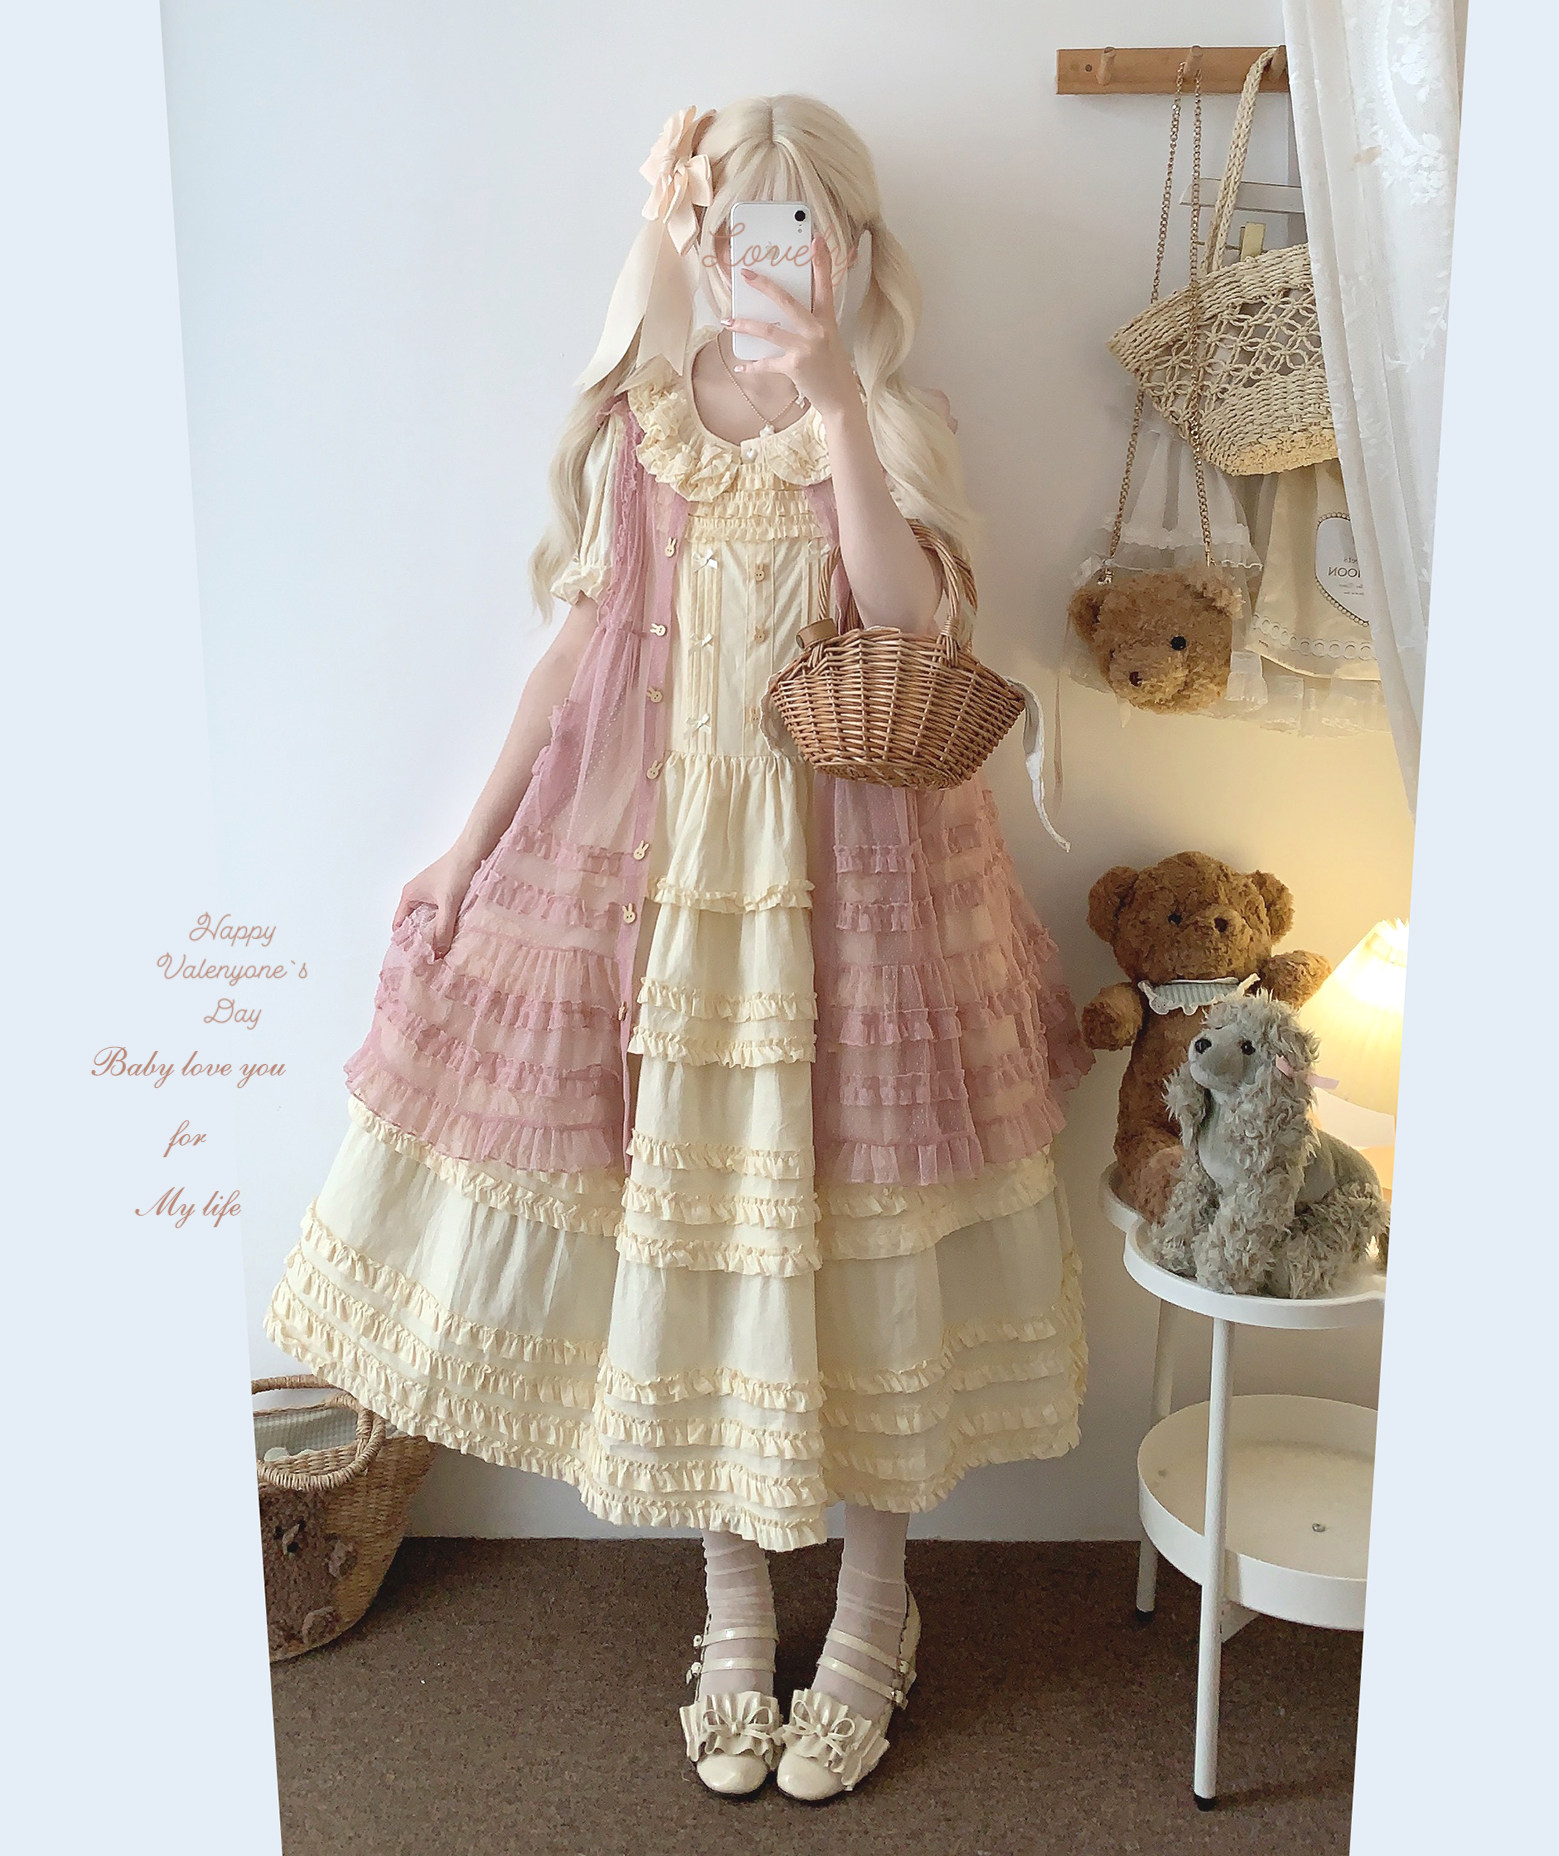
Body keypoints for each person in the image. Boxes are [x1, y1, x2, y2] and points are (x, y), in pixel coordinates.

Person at [267, 93, 1091, 1802]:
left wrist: (839, 403)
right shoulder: (649, 426)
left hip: (861, 894)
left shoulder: (888, 415)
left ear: (847, 249)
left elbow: (909, 626)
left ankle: (875, 1605)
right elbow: (576, 658)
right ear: (696, 242)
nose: (757, 263)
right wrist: (468, 844)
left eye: (797, 231)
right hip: (677, 899)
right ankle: (732, 1597)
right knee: (702, 1240)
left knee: (864, 1242)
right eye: (731, 231)